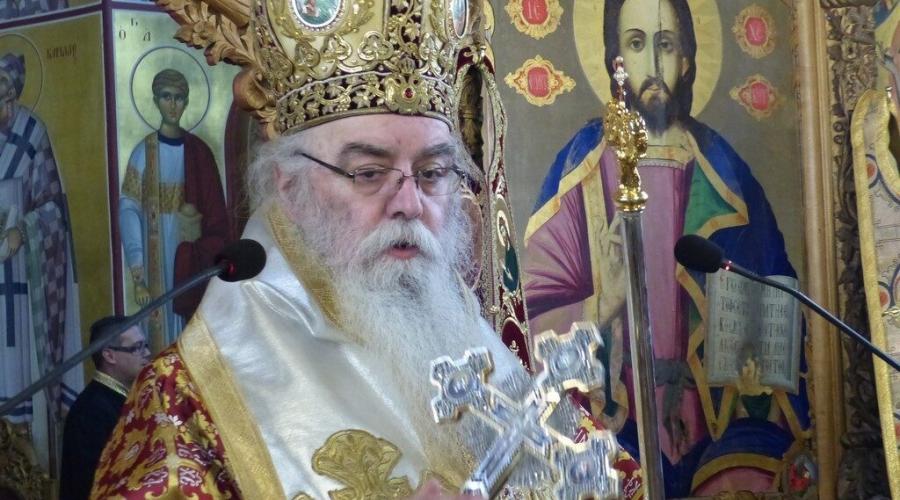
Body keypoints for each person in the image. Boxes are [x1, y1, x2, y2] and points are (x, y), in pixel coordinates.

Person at [91, 0, 643, 495]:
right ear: (291, 188)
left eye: (433, 172)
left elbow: (615, 482)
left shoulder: (474, 346)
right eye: (369, 172)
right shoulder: (186, 404)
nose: (409, 204)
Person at [522, 0, 809, 495]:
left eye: (666, 45)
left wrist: (756, 363)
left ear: (688, 59)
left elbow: (772, 297)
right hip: (615, 424)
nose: (653, 66)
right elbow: (529, 312)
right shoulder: (580, 170)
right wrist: (601, 304)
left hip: (712, 426)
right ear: (614, 58)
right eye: (636, 44)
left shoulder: (726, 172)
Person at [0, 51, 82, 462]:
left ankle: (27, 460)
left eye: (3, 97)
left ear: (13, 94)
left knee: (17, 365)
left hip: (22, 275)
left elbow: (53, 208)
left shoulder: (33, 134)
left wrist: (22, 231)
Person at [119, 69, 229, 352]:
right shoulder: (144, 153)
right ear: (155, 101)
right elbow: (129, 209)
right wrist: (138, 273)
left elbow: (217, 215)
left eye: (179, 98)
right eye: (166, 97)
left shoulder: (199, 153)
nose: (172, 105)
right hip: (154, 260)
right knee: (160, 330)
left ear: (187, 102)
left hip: (192, 258)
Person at [59, 316, 150, 500]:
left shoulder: (126, 397)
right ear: (109, 355)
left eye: (145, 345)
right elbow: (92, 484)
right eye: (137, 347)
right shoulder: (90, 412)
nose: (147, 353)